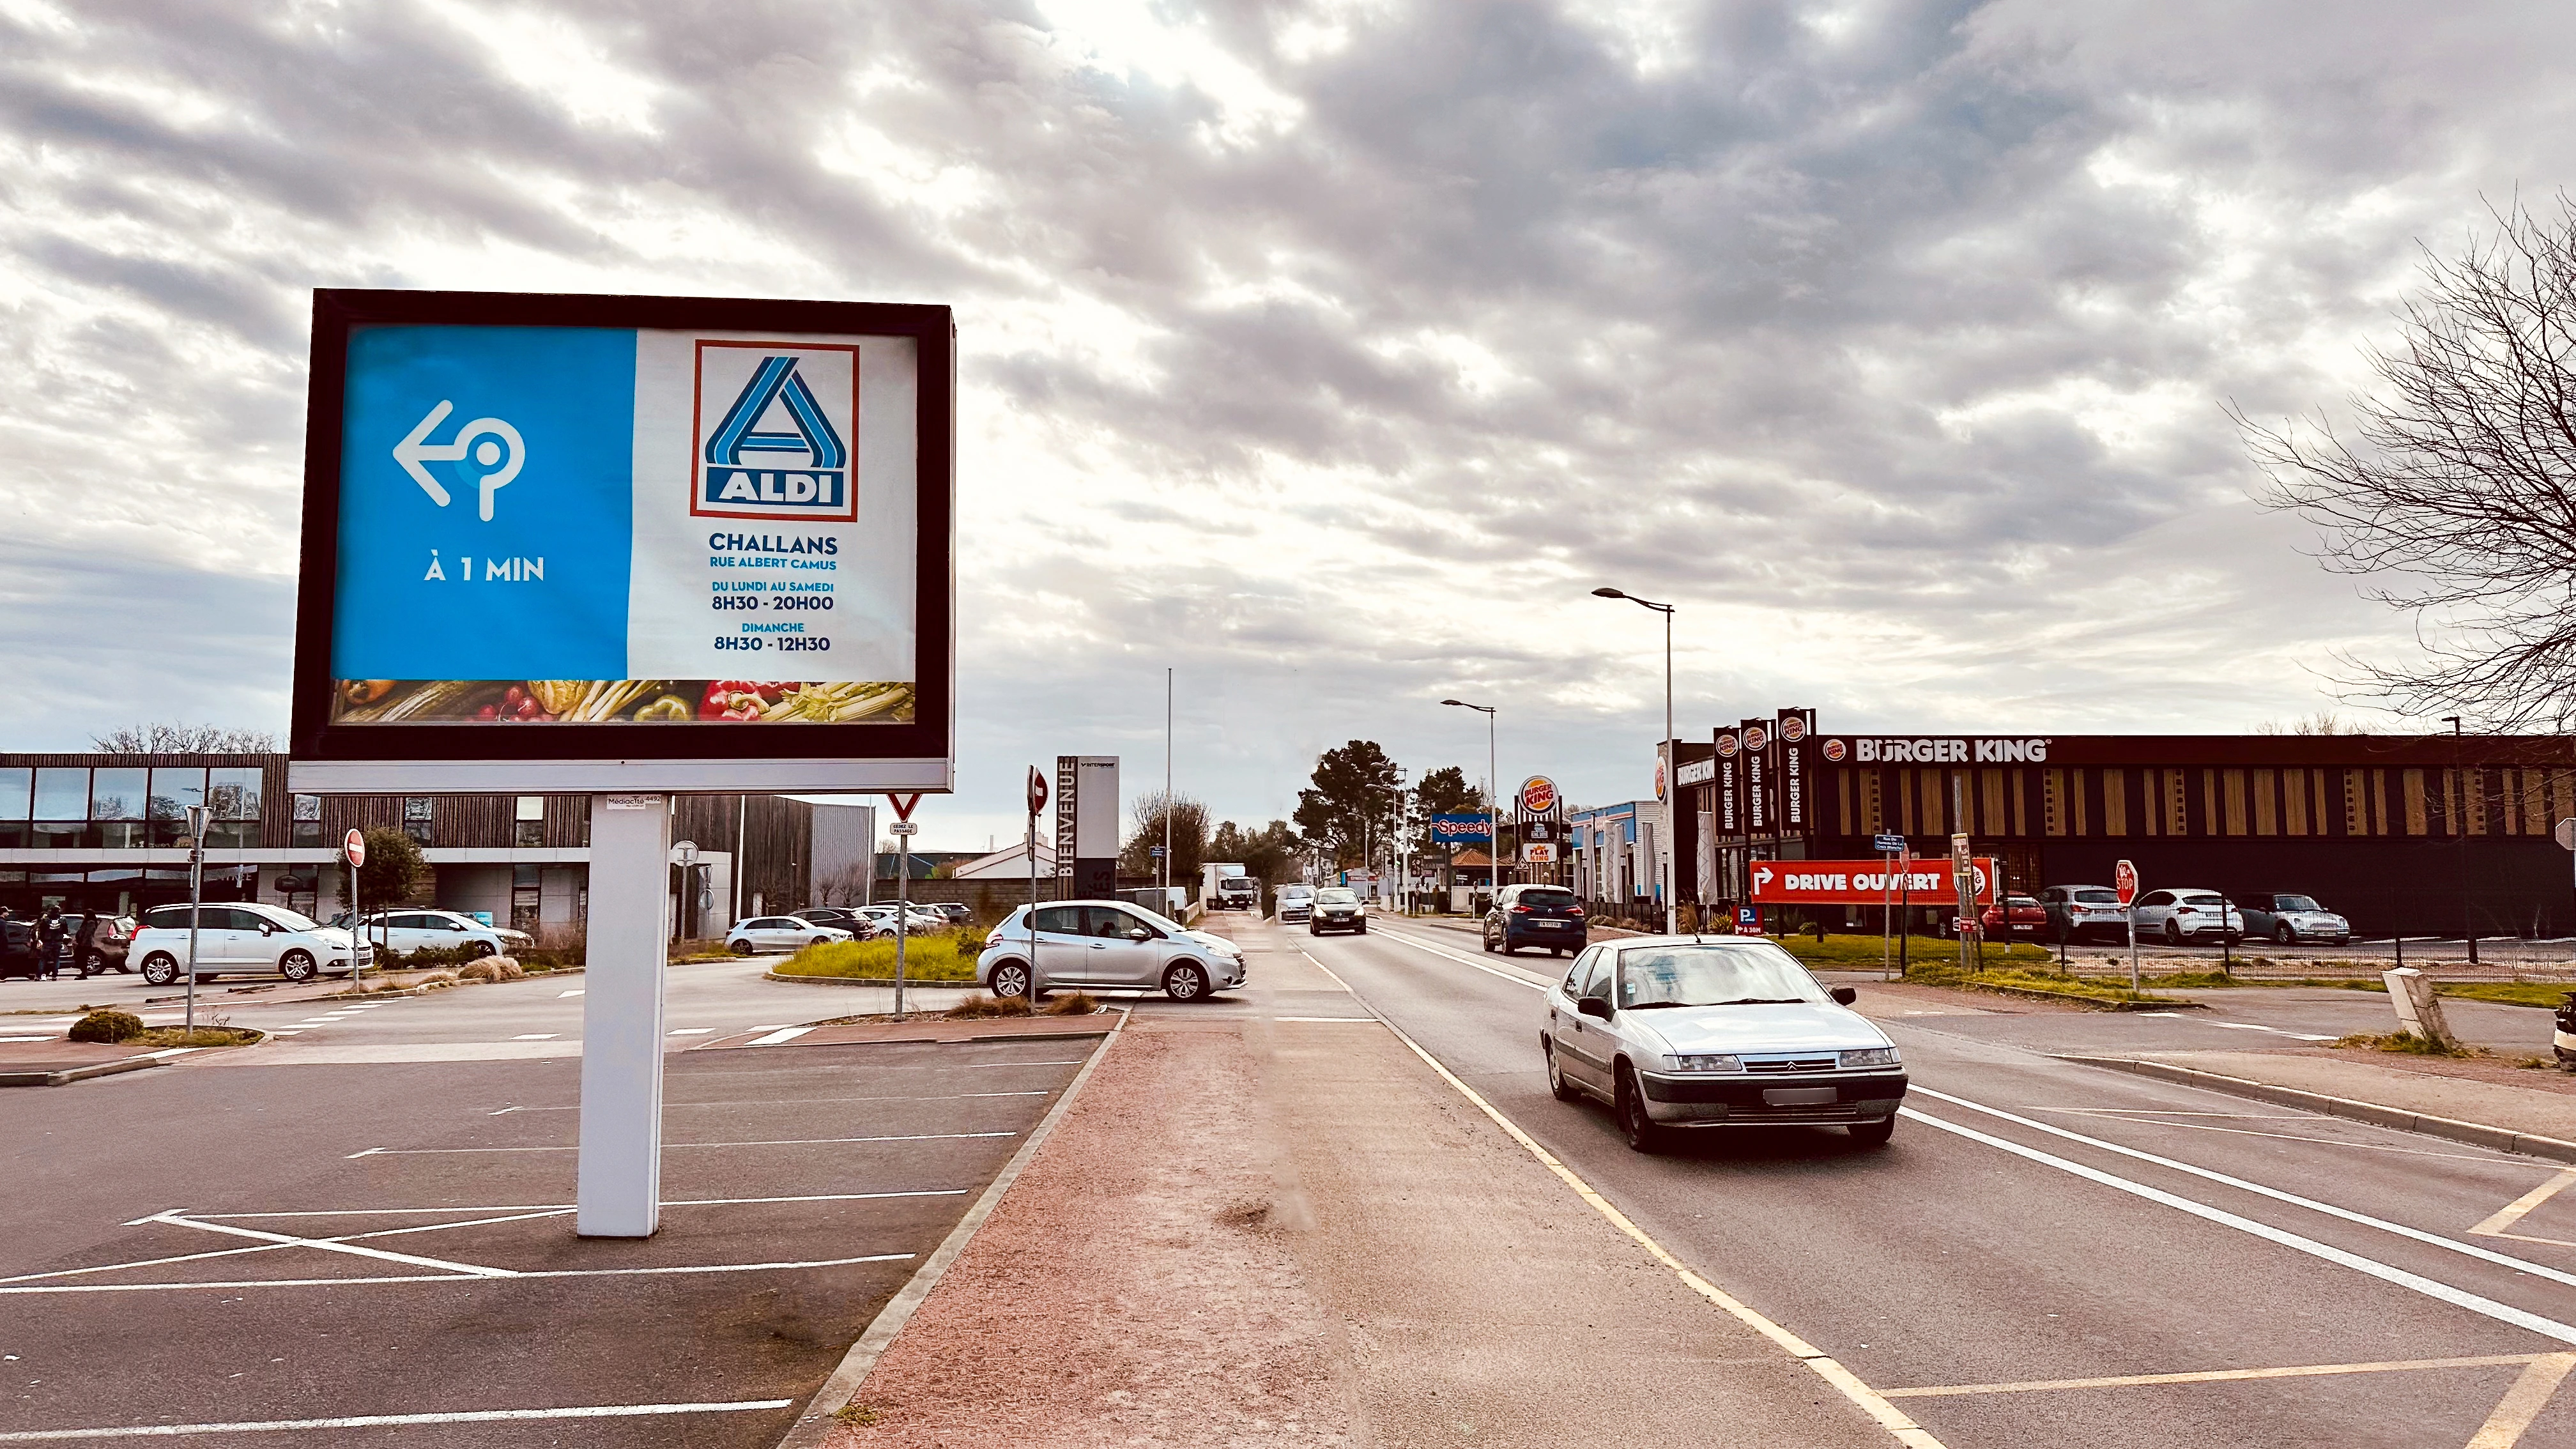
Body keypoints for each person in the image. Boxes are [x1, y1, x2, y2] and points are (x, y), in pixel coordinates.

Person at [36, 907, 66, 980]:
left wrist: (41, 939)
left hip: (47, 941)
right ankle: (55, 975)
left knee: (43, 959)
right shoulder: (63, 920)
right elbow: (66, 930)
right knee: (56, 959)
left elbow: (42, 931)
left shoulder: (46, 920)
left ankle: (39, 976)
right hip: (58, 941)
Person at [70, 911, 102, 980]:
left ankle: (84, 972)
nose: (84, 915)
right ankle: (83, 972)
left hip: (85, 944)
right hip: (83, 943)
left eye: (85, 914)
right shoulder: (87, 922)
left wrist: (83, 943)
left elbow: (88, 934)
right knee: (80, 957)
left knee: (82, 957)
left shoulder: (91, 923)